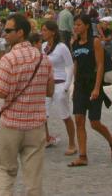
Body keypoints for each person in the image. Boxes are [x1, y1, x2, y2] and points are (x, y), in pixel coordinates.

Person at [0, 14, 54, 195]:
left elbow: (1, 92)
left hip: (11, 123)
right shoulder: (43, 59)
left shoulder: (8, 59)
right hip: (36, 125)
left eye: (9, 30)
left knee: (5, 170)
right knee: (33, 178)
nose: (5, 33)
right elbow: (50, 91)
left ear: (20, 32)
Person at [68, 14, 112, 168]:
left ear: (86, 26)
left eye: (78, 24)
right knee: (79, 120)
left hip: (93, 86)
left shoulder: (95, 42)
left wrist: (97, 88)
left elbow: (100, 65)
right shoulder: (75, 43)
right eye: (74, 25)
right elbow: (76, 65)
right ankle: (82, 156)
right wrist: (73, 85)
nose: (75, 27)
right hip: (80, 87)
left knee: (95, 123)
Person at [41, 20, 76, 155]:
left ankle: (72, 143)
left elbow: (70, 66)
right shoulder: (43, 46)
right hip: (46, 85)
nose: (42, 33)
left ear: (53, 32)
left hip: (60, 84)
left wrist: (67, 87)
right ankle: (46, 138)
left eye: (45, 30)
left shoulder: (62, 47)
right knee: (42, 115)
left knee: (65, 115)